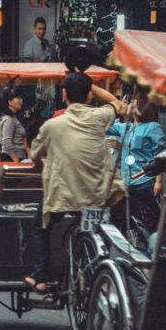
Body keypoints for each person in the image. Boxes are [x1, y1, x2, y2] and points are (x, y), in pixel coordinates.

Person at [26, 72, 128, 290]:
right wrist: (90, 86)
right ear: (90, 96)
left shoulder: (52, 126)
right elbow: (115, 103)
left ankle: (40, 276)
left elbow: (35, 155)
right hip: (99, 194)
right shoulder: (99, 117)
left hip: (65, 197)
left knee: (38, 225)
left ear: (64, 94)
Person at [106, 90, 165, 218]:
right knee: (127, 214)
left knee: (145, 214)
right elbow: (104, 127)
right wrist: (117, 109)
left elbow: (159, 156)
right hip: (126, 179)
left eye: (133, 102)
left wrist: (158, 181)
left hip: (144, 180)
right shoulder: (124, 127)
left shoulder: (153, 127)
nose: (130, 105)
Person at [0, 87, 28, 161]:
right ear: (10, 102)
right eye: (18, 98)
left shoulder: (11, 118)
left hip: (13, 157)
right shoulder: (9, 120)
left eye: (21, 98)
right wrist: (16, 161)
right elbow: (7, 142)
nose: (21, 100)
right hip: (11, 158)